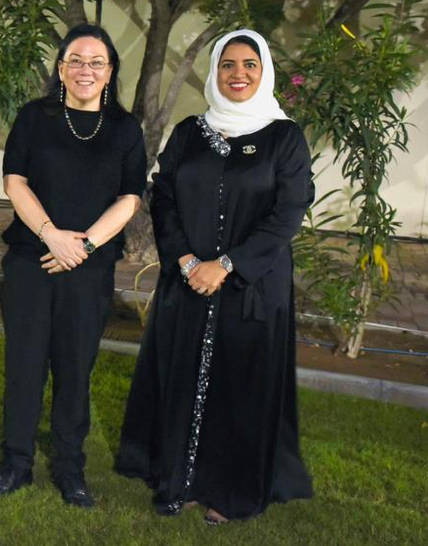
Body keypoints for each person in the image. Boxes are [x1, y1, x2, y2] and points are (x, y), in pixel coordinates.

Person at [115, 29, 314, 524]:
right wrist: (186, 261)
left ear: (264, 72)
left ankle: (229, 491)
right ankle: (179, 481)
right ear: (214, 72)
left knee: (240, 387)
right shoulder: (190, 133)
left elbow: (288, 213)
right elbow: (163, 198)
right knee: (182, 378)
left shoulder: (284, 138)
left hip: (252, 287)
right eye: (228, 65)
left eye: (249, 65)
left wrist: (226, 265)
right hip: (187, 282)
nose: (237, 74)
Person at [0, 24, 146, 508]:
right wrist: (51, 234)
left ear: (110, 72)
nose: (85, 70)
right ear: (60, 67)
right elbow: (14, 181)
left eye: (96, 62)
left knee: (75, 369)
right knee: (24, 364)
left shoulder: (125, 129)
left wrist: (85, 245)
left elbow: (131, 198)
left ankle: (70, 467)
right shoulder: (35, 117)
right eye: (75, 60)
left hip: (89, 268)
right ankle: (16, 461)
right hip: (32, 260)